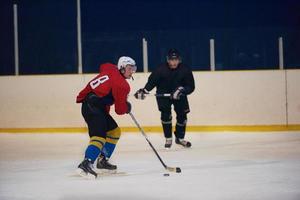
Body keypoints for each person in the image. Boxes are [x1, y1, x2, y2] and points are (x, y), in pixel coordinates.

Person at [76, 56, 136, 178]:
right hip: (92, 107)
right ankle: (86, 163)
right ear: (122, 68)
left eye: (133, 68)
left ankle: (102, 161)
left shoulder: (110, 68)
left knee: (114, 132)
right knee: (99, 137)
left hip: (95, 106)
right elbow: (119, 110)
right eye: (129, 68)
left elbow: (104, 65)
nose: (132, 71)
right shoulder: (122, 85)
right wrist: (126, 107)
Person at [134, 49, 195, 149]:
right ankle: (168, 138)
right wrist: (144, 90)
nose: (174, 62)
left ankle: (179, 138)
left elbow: (191, 86)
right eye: (171, 60)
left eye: (176, 60)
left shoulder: (185, 70)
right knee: (166, 116)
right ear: (168, 60)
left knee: (182, 116)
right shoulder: (160, 69)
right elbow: (151, 82)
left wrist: (182, 90)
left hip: (180, 96)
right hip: (163, 95)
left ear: (179, 60)